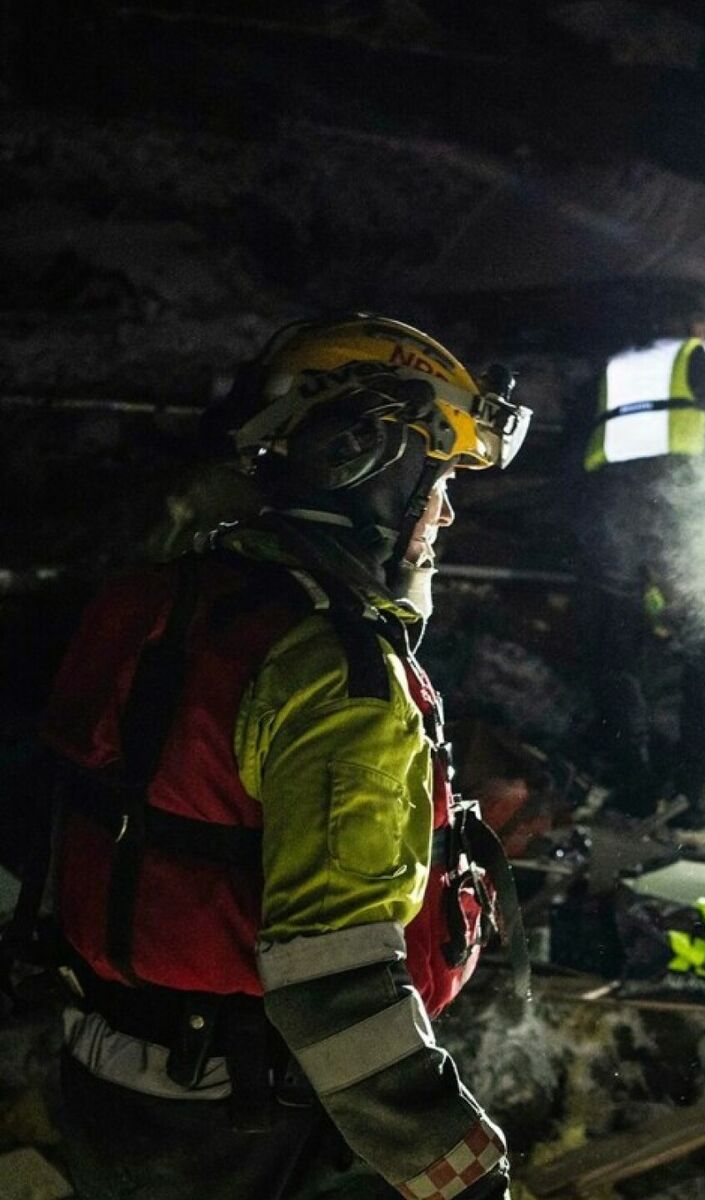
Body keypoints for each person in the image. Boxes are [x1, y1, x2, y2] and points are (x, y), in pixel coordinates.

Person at [39, 315, 533, 1199]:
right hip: (262, 1118)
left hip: (112, 1090)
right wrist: (456, 1170)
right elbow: (334, 982)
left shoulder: (159, 602)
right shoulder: (337, 673)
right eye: (441, 476)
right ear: (373, 460)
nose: (445, 512)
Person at [573, 327, 705, 822]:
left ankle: (634, 784)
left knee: (614, 664)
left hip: (613, 532)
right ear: (700, 327)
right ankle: (691, 794)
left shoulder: (607, 374)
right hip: (688, 531)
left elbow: (573, 464)